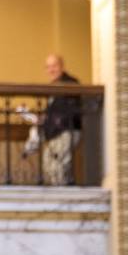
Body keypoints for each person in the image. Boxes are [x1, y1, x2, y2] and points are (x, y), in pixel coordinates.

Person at [40, 53, 82, 186]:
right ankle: (62, 192)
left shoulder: (70, 83)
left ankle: (64, 196)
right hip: (55, 133)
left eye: (54, 66)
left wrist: (51, 121)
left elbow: (68, 110)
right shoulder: (53, 87)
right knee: (48, 164)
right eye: (48, 67)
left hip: (66, 130)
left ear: (62, 67)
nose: (51, 70)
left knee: (58, 167)